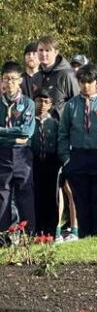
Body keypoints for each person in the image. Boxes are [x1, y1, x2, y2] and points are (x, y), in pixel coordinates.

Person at [58, 64, 97, 239]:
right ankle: (84, 235)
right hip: (78, 157)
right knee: (81, 200)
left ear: (96, 82)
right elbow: (63, 133)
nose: (85, 86)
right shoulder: (71, 105)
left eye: (89, 82)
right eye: (82, 82)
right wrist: (66, 159)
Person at [0, 61, 36, 233]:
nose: (10, 83)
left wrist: (2, 131)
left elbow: (26, 131)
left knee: (25, 193)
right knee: (3, 195)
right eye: (6, 79)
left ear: (20, 80)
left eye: (13, 79)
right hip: (2, 153)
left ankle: (29, 235)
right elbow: (19, 131)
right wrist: (15, 134)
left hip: (22, 154)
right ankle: (3, 236)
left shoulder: (28, 103)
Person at [31, 90, 60, 235]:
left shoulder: (55, 124)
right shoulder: (30, 122)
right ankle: (38, 229)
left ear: (51, 104)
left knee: (52, 197)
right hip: (34, 163)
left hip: (51, 163)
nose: (42, 105)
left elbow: (59, 143)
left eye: (46, 102)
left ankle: (51, 230)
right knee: (36, 196)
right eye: (39, 101)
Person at [33, 35, 80, 119]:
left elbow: (78, 104)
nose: (43, 54)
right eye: (41, 50)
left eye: (47, 50)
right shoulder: (36, 76)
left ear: (56, 52)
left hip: (62, 125)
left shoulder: (67, 75)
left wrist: (53, 111)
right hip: (39, 125)